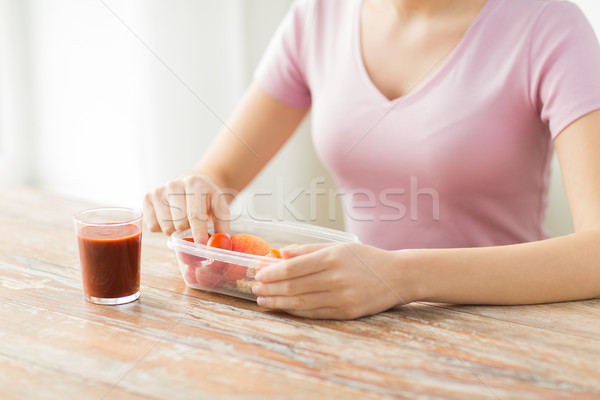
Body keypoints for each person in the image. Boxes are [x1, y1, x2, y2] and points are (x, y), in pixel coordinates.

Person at [144, 0, 600, 320]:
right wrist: (197, 188)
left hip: (511, 323)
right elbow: (219, 173)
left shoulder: (550, 26)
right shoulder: (317, 16)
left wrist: (401, 278)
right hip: (364, 324)